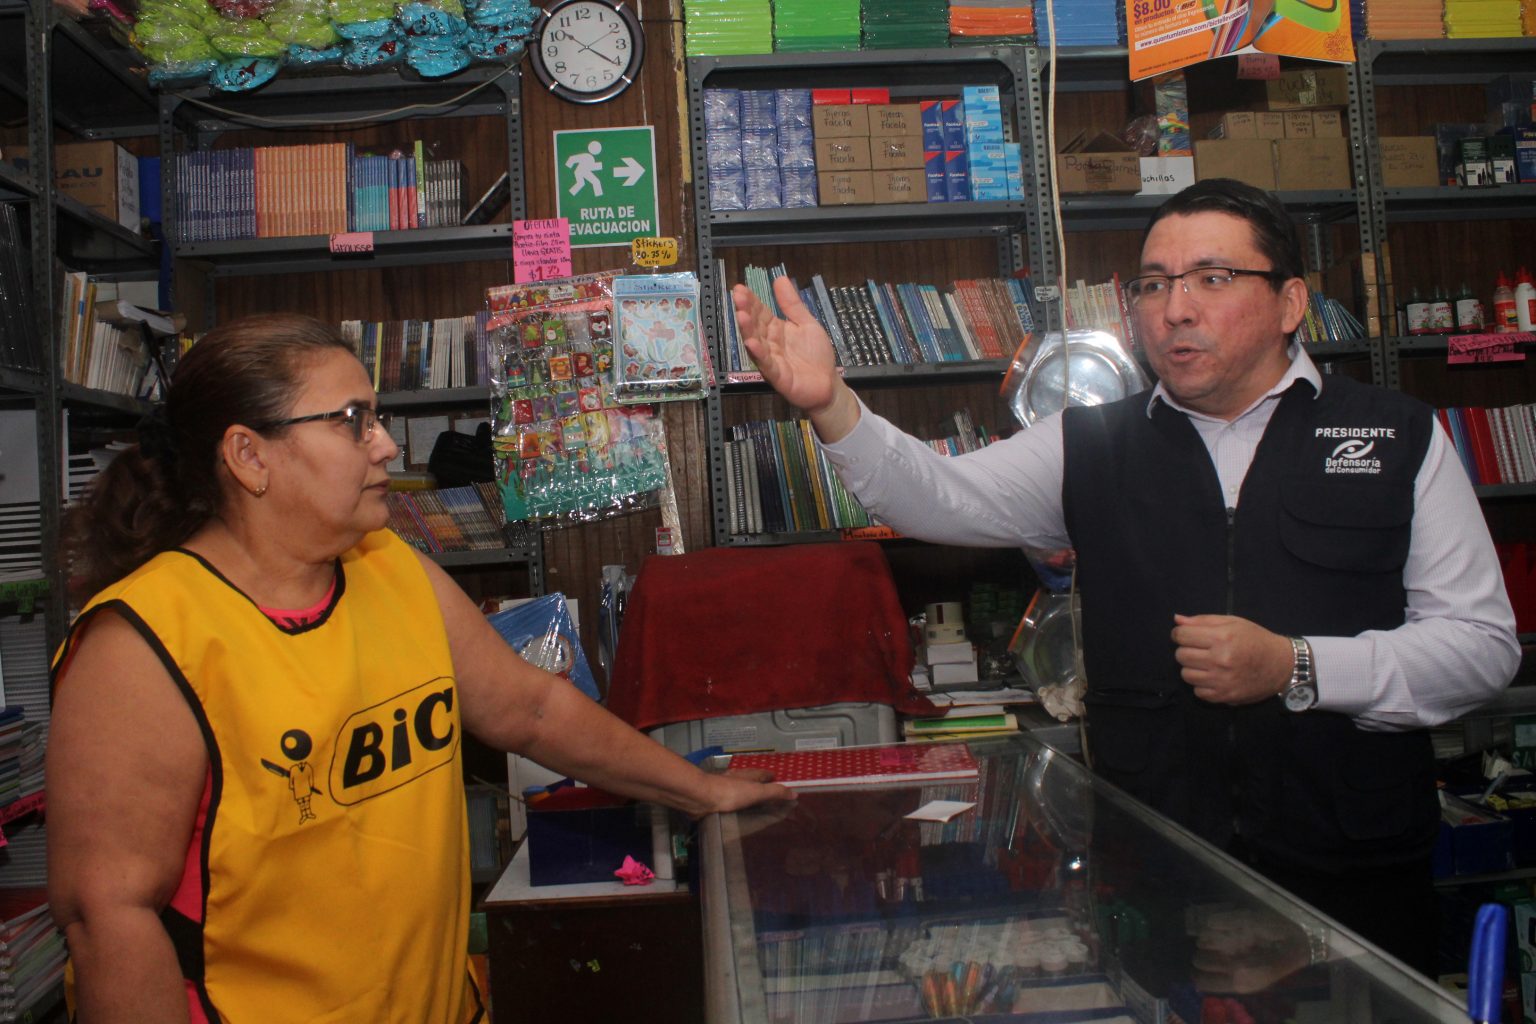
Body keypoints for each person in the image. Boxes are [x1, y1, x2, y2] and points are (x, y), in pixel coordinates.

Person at [731, 177, 1519, 976]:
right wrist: (833, 406)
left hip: (1354, 887)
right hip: (1157, 870)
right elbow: (939, 497)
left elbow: (1481, 649)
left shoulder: (1395, 435)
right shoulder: (1087, 443)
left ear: (1289, 303)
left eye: (1212, 278)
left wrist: (1297, 665)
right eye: (1153, 284)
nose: (1175, 309)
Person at [45, 314, 793, 1023]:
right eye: (352, 421)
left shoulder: (388, 565)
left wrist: (700, 791)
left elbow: (530, 709)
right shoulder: (140, 645)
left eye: (374, 418)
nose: (385, 447)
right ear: (249, 456)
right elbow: (109, 917)